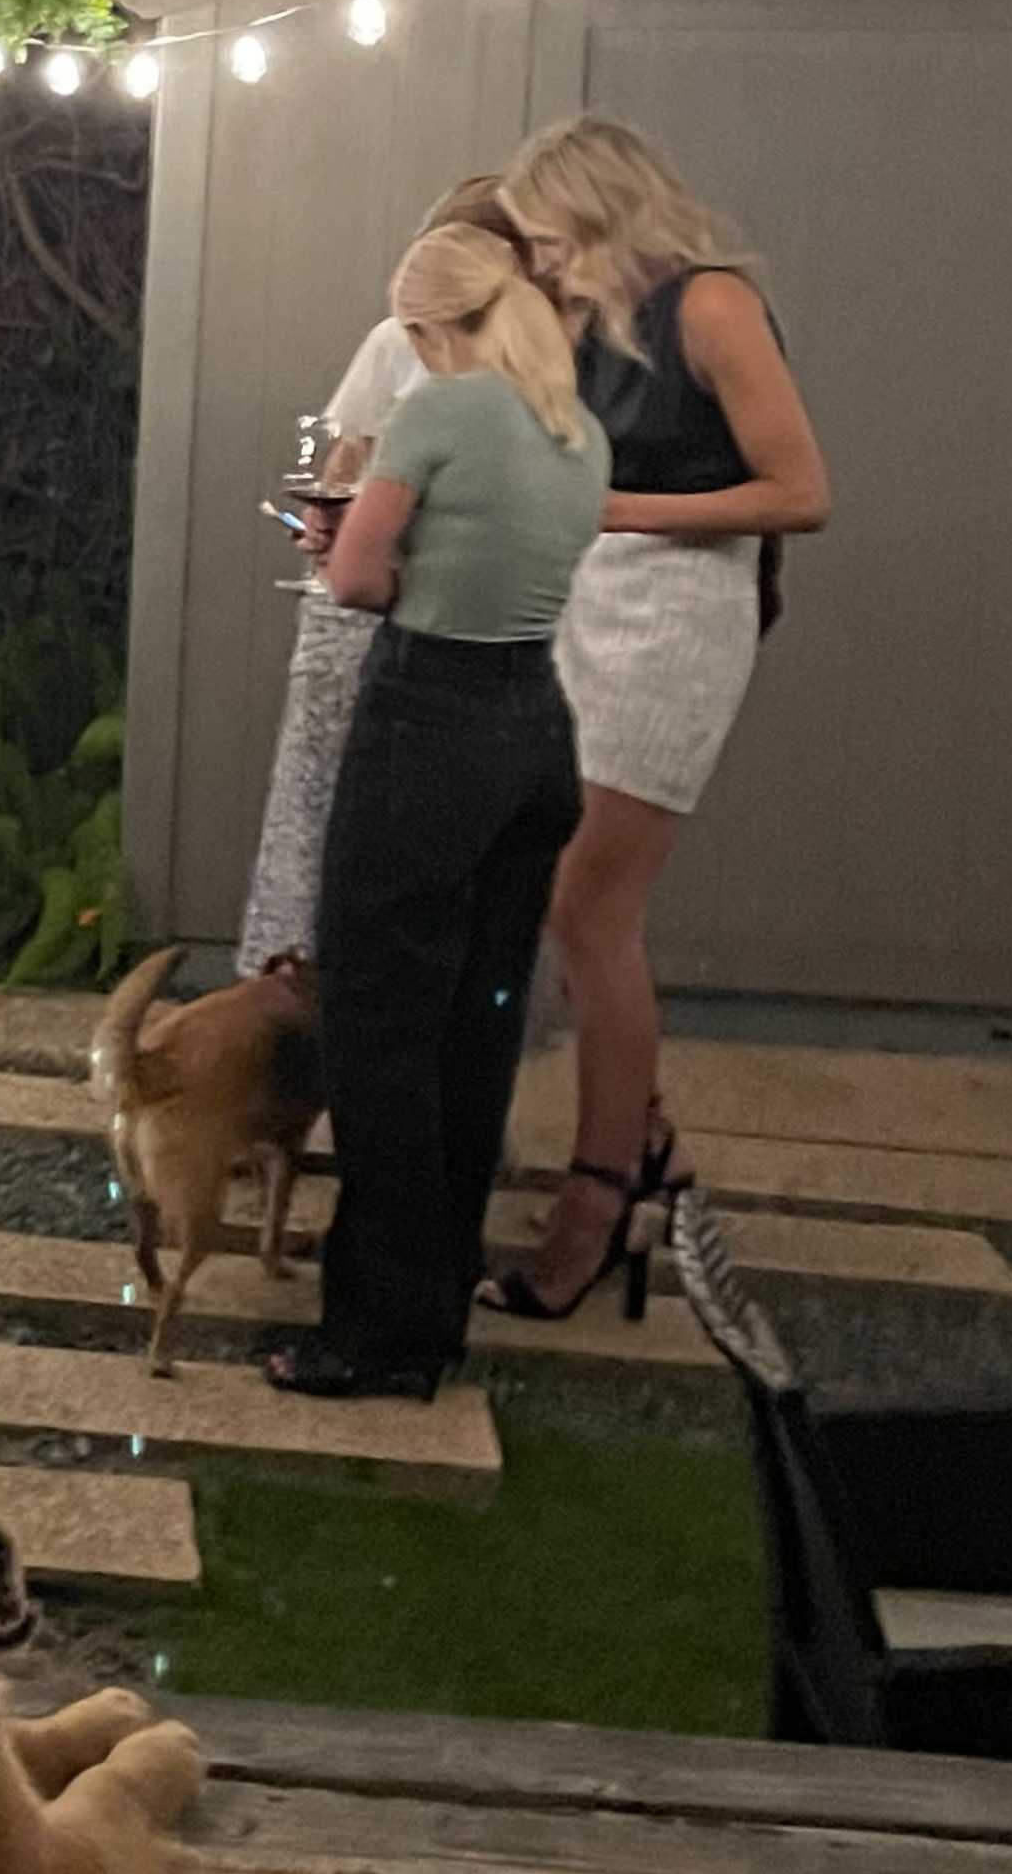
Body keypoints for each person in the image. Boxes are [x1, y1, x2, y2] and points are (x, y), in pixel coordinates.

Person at [482, 117, 831, 1321]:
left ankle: (600, 1194)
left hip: (677, 610)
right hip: (589, 599)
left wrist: (622, 509)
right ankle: (647, 1139)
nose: (542, 262)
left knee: (591, 903)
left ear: (596, 214)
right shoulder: (591, 323)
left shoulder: (709, 304)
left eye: (547, 238)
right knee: (551, 884)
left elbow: (801, 490)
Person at [272, 222, 607, 1401]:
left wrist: (354, 545)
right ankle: (442, 1292)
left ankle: (377, 1327)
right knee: (478, 1021)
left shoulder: (440, 412)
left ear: (424, 328)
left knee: (378, 1024)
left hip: (431, 717)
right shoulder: (578, 427)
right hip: (536, 728)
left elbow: (354, 576)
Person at [233, 174, 532, 975]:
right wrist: (321, 521)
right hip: (359, 607)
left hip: (464, 620)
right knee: (315, 805)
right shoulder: (394, 342)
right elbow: (337, 451)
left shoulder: (546, 368)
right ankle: (290, 990)